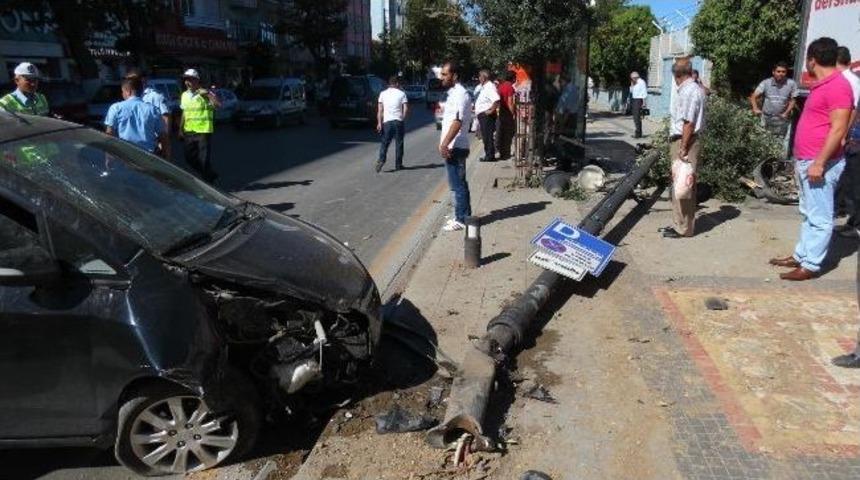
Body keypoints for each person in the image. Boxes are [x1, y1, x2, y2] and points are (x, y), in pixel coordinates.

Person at [769, 37, 854, 281]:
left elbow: (838, 129)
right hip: (808, 160)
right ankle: (801, 255)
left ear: (812, 59)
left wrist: (819, 162)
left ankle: (811, 265)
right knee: (808, 212)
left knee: (820, 216)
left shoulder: (838, 86)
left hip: (820, 163)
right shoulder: (824, 85)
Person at [661, 57, 706, 239]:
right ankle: (681, 224)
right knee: (682, 183)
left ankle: (684, 228)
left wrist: (683, 147)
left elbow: (689, 123)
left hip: (685, 140)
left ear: (676, 74)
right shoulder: (692, 89)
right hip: (684, 139)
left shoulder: (689, 91)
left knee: (683, 185)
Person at [438, 62, 473, 232]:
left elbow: (458, 121)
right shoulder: (454, 94)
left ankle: (461, 219)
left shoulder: (460, 94)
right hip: (454, 144)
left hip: (455, 145)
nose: (442, 77)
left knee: (457, 184)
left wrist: (445, 143)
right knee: (460, 183)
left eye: (445, 74)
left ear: (455, 75)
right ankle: (465, 216)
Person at [835, 47, 860, 237]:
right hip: (851, 138)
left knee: (854, 183)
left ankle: (856, 225)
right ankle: (852, 221)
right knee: (848, 181)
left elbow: (853, 111)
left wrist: (844, 134)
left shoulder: (848, 81)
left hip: (854, 140)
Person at [104, 77, 165, 155]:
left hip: (126, 155)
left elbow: (109, 133)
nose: (122, 94)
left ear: (128, 92)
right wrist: (166, 156)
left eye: (122, 92)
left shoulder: (116, 108)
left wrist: (108, 156)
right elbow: (163, 136)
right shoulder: (152, 110)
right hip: (149, 156)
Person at [179, 68, 220, 183]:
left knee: (203, 160)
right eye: (186, 80)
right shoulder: (184, 95)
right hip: (189, 131)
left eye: (190, 79)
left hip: (203, 131)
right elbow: (184, 112)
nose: (187, 82)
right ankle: (209, 174)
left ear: (197, 80)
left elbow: (217, 105)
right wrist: (180, 129)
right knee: (189, 158)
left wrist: (208, 95)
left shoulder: (205, 93)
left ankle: (208, 182)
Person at [126, 70, 171, 159]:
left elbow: (166, 117)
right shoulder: (128, 96)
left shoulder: (155, 96)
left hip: (153, 143)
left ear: (143, 80)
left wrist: (164, 141)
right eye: (128, 79)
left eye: (132, 79)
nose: (129, 82)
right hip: (133, 143)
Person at [750, 61, 798, 139]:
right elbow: (753, 96)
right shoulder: (766, 83)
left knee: (780, 141)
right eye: (778, 71)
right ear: (773, 72)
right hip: (766, 118)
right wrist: (755, 108)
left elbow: (793, 100)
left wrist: (786, 113)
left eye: (783, 72)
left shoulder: (791, 84)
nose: (781, 74)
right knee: (763, 140)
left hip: (781, 119)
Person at [375, 76, 409, 172]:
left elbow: (380, 110)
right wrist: (402, 118)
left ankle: (381, 160)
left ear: (389, 84)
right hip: (398, 121)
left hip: (387, 122)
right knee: (399, 143)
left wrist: (379, 123)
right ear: (397, 83)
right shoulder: (402, 94)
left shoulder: (382, 94)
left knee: (385, 143)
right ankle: (398, 165)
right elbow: (406, 108)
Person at [474, 69, 500, 162]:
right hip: (483, 115)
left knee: (487, 136)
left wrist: (491, 110)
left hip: (486, 116)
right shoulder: (484, 87)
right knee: (486, 136)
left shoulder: (489, 87)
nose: (479, 78)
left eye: (480, 76)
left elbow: (496, 100)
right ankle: (488, 154)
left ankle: (489, 156)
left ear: (484, 77)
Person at [497, 71, 516, 160]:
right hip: (507, 114)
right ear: (513, 78)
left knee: (502, 133)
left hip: (501, 112)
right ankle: (506, 154)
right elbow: (510, 102)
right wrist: (513, 114)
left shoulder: (501, 86)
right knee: (508, 135)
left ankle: (502, 153)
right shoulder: (510, 87)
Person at [629, 72, 647, 138]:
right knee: (635, 117)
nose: (632, 79)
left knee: (637, 117)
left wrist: (644, 103)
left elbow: (644, 92)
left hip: (639, 100)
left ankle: (638, 134)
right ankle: (638, 132)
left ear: (635, 77)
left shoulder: (642, 82)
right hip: (634, 100)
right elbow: (631, 92)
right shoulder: (634, 83)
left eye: (632, 78)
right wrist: (632, 85)